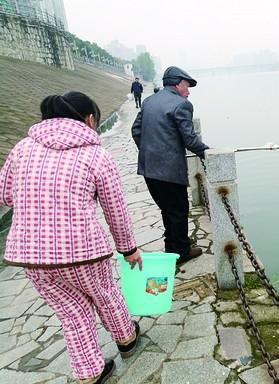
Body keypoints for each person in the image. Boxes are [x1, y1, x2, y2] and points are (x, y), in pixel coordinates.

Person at [0, 92, 143, 384]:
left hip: (31, 256)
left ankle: (89, 374)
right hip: (83, 251)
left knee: (72, 312)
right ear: (89, 119)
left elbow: (5, 195)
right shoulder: (96, 154)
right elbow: (115, 208)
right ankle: (126, 338)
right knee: (105, 294)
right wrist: (128, 249)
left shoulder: (22, 149)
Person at [132, 66, 208, 264]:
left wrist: (150, 152)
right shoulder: (182, 104)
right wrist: (208, 152)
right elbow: (190, 140)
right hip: (169, 171)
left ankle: (172, 247)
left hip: (149, 169)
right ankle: (182, 252)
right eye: (187, 85)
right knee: (179, 210)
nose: (188, 91)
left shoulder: (148, 101)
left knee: (167, 209)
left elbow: (136, 130)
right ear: (177, 84)